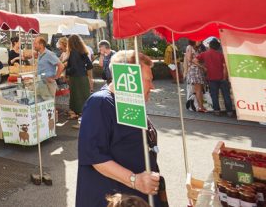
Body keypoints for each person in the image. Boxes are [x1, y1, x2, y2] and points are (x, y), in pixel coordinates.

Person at [76, 50, 168, 207]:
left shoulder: (130, 103)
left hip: (138, 196)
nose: (152, 86)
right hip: (113, 199)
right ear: (127, 76)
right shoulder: (100, 103)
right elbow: (95, 156)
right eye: (148, 80)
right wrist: (135, 180)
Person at [196, 39, 233, 116]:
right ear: (218, 47)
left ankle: (216, 111)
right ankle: (229, 111)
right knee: (226, 95)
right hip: (222, 78)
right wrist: (225, 77)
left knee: (214, 95)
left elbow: (194, 60)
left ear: (209, 46)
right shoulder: (221, 55)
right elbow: (224, 68)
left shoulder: (204, 54)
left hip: (211, 78)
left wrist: (203, 67)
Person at [66, 34, 94, 124]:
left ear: (70, 43)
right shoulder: (83, 51)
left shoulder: (73, 52)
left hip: (76, 79)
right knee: (84, 98)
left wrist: (67, 70)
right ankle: (85, 118)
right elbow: (90, 65)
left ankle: (82, 122)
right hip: (83, 77)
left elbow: (73, 68)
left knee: (77, 99)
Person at [34, 36, 63, 101]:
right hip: (40, 83)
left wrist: (56, 77)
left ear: (41, 45)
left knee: (50, 104)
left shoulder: (49, 54)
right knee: (41, 104)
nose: (34, 45)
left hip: (48, 83)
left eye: (35, 43)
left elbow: (61, 66)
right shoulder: (40, 54)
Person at [184, 40, 208, 113]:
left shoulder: (198, 48)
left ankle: (200, 106)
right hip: (194, 70)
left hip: (198, 70)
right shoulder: (190, 47)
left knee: (199, 89)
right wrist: (201, 66)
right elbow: (189, 59)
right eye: (198, 40)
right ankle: (200, 107)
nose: (200, 41)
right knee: (198, 89)